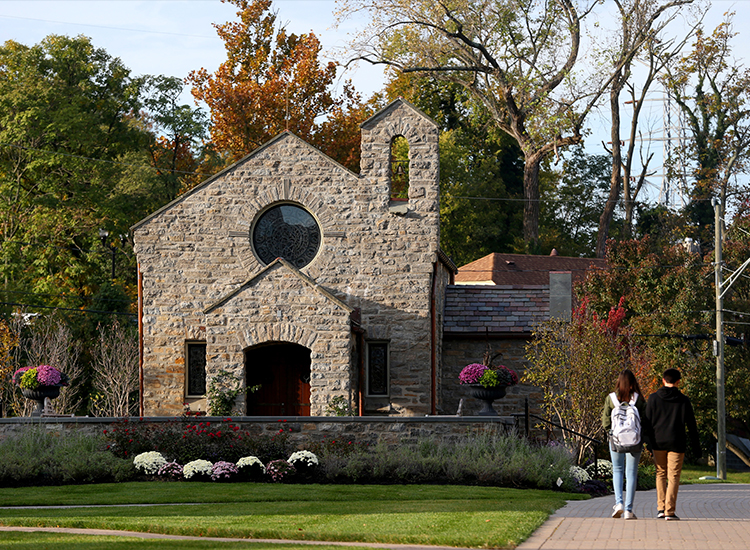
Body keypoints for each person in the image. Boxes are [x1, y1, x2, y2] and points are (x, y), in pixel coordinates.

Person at [645, 368, 700, 520]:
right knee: (673, 476)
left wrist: (648, 443)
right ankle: (670, 511)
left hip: (658, 442)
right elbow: (692, 425)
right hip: (677, 442)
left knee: (660, 474)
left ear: (663, 380)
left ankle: (660, 508)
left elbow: (647, 422)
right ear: (678, 382)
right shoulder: (683, 400)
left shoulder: (653, 398)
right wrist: (696, 448)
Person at [602, 369, 647, 520]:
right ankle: (628, 510)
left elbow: (606, 421)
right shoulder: (638, 399)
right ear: (633, 382)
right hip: (634, 440)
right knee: (631, 472)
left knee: (617, 470)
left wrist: (611, 433)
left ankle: (619, 503)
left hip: (616, 440)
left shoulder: (611, 398)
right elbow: (645, 419)